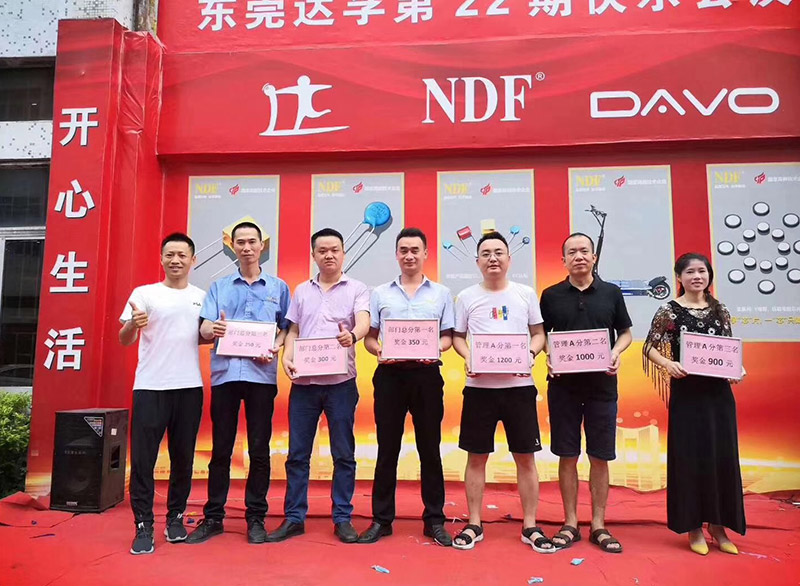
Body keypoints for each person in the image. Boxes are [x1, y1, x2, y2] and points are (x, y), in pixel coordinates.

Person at [186, 221, 290, 545]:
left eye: (252, 242)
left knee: (259, 450)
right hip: (226, 376)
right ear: (233, 247)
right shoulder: (218, 287)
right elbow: (204, 329)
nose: (246, 247)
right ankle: (213, 517)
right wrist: (212, 329)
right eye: (240, 242)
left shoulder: (278, 288)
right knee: (221, 448)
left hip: (261, 377)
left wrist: (277, 344)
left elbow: (286, 328)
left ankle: (256, 517)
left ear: (262, 246)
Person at [450, 231, 554, 553]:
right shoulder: (466, 296)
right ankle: (474, 523)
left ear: (509, 259)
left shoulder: (525, 294)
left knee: (526, 458)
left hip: (519, 389)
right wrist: (469, 357)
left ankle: (530, 525)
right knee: (476, 457)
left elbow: (538, 334)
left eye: (498, 252)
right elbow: (458, 337)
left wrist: (530, 354)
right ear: (477, 261)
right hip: (479, 390)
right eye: (486, 253)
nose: (492, 258)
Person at [267, 228, 370, 544]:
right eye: (322, 250)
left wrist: (352, 335)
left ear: (343, 253)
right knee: (297, 455)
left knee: (344, 454)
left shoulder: (357, 288)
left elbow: (363, 322)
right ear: (313, 255)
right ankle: (294, 518)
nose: (329, 255)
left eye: (335, 249)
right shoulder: (302, 290)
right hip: (305, 384)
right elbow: (294, 331)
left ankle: (343, 518)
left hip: (341, 384)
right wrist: (287, 357)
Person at [643, 252, 746, 556]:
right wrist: (668, 364)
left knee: (721, 457)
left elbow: (728, 348)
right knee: (690, 458)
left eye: (702, 271)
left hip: (718, 397)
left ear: (709, 275)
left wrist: (737, 369)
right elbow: (649, 347)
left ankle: (719, 526)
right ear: (679, 277)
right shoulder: (669, 310)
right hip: (687, 395)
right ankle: (693, 527)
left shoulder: (720, 309)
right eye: (690, 272)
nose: (697, 277)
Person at [357, 228, 454, 547]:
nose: (409, 255)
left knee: (430, 448)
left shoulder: (441, 293)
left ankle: (435, 519)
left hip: (427, 376)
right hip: (390, 377)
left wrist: (434, 348)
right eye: (403, 250)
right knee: (387, 449)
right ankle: (381, 519)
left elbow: (447, 337)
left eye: (415, 250)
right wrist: (379, 350)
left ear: (425, 254)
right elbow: (370, 338)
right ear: (396, 254)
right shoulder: (380, 293)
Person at [539, 232, 633, 554]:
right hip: (563, 387)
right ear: (563, 260)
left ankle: (598, 524)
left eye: (584, 251)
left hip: (602, 388)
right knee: (567, 454)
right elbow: (542, 334)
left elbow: (625, 333)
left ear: (594, 257)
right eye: (572, 252)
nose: (578, 256)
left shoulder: (611, 293)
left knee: (600, 455)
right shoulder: (551, 295)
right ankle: (569, 523)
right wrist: (549, 355)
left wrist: (616, 352)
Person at [119, 233, 207, 555]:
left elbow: (203, 335)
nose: (176, 260)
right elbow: (124, 339)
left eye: (182, 255)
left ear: (193, 260)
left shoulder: (202, 297)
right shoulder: (144, 294)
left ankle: (175, 517)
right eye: (170, 254)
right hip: (150, 387)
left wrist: (222, 333)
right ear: (161, 259)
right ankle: (143, 525)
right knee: (143, 460)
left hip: (189, 387)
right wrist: (133, 324)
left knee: (183, 458)